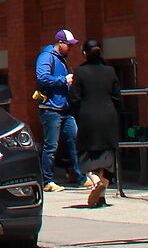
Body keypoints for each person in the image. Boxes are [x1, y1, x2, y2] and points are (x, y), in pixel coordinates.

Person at [70, 39, 123, 208]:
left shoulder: (80, 72)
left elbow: (74, 99)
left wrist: (78, 114)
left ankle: (95, 181)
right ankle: (103, 187)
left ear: (84, 53)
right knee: (106, 156)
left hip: (88, 117)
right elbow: (117, 97)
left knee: (86, 155)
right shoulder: (110, 71)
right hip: (108, 116)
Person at [34, 30, 79, 190]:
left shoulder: (61, 59)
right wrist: (64, 80)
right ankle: (47, 181)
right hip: (51, 108)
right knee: (51, 146)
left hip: (64, 108)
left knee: (74, 140)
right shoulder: (46, 57)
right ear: (60, 43)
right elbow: (42, 79)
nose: (71, 48)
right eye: (69, 45)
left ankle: (79, 176)